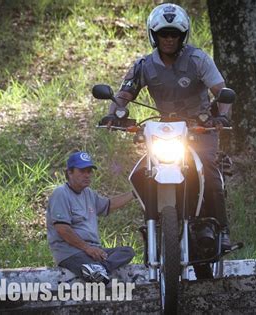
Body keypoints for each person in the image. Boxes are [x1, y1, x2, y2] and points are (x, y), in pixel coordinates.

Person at [100, 3, 232, 250]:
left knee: (209, 169)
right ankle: (156, 222)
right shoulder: (144, 66)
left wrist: (222, 117)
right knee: (142, 171)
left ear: (183, 36)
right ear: (154, 35)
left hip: (199, 128)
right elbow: (124, 94)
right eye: (164, 34)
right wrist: (113, 115)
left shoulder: (198, 60)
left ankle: (222, 229)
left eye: (174, 34)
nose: (169, 39)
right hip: (166, 130)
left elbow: (221, 92)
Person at [46, 151, 136, 283]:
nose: (87, 175)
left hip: (93, 251)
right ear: (70, 172)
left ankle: (100, 269)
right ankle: (96, 271)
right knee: (98, 277)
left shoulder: (88, 193)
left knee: (127, 251)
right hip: (71, 252)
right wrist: (87, 248)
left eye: (89, 171)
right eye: (82, 171)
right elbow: (62, 229)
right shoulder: (61, 193)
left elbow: (108, 205)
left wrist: (135, 193)